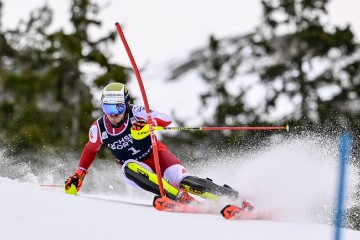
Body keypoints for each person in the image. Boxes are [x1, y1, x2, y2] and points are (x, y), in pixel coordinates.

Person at [65, 82, 250, 206]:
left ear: (126, 105)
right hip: (137, 170)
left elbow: (166, 119)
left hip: (157, 154)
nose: (112, 114)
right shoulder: (99, 128)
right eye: (107, 108)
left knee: (182, 180)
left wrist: (149, 124)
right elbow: (90, 150)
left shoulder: (136, 113)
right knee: (129, 167)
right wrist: (79, 174)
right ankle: (180, 199)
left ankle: (233, 199)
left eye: (117, 107)